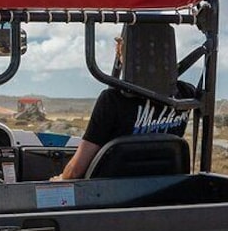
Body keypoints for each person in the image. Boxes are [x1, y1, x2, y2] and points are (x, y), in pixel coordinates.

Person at [55, 26, 195, 180]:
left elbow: (76, 170)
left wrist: (60, 179)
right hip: (164, 194)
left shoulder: (112, 100)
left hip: (112, 198)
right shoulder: (185, 93)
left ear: (123, 54)